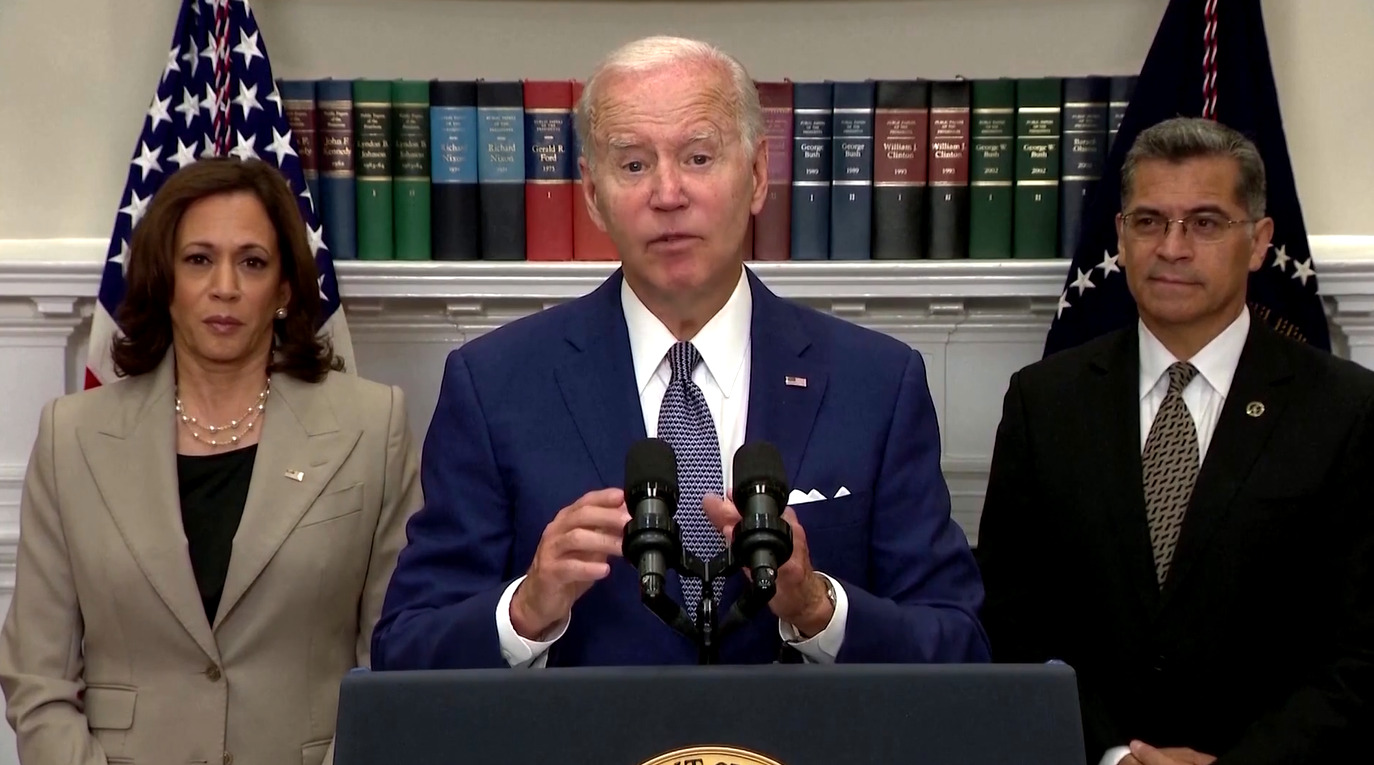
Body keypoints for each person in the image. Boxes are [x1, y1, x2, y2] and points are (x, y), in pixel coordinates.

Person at [371, 35, 988, 670]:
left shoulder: (876, 383)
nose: (667, 194)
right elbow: (404, 651)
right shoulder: (493, 385)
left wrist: (817, 608)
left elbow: (960, 644)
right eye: (634, 165)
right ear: (593, 195)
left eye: (698, 157)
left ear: (757, 176)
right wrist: (525, 610)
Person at [977, 116, 1374, 765]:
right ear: (1121, 236)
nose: (1172, 247)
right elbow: (1011, 621)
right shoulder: (1045, 401)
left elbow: (1362, 651)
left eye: (1206, 223)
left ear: (1258, 241)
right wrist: (1116, 754)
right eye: (1149, 221)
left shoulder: (1347, 409)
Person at [0, 158, 423, 765]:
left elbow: (395, 659)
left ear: (283, 289)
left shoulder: (370, 426)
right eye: (199, 259)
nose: (225, 286)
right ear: (164, 278)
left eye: (252, 262)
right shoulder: (73, 437)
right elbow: (39, 681)